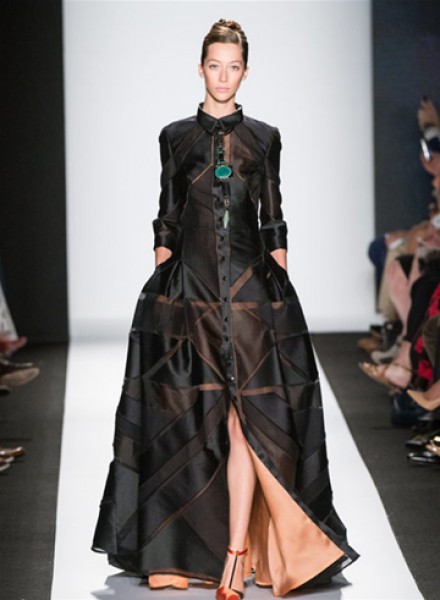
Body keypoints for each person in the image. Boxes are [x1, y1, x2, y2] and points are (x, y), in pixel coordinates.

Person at [92, 19, 358, 598]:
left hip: (250, 300)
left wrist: (280, 295)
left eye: (233, 66)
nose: (223, 76)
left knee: (246, 426)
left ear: (245, 71)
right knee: (188, 421)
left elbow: (272, 217)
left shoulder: (264, 138)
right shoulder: (175, 137)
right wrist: (163, 288)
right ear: (200, 68)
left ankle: (237, 555)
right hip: (189, 296)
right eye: (214, 65)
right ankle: (181, 552)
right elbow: (167, 215)